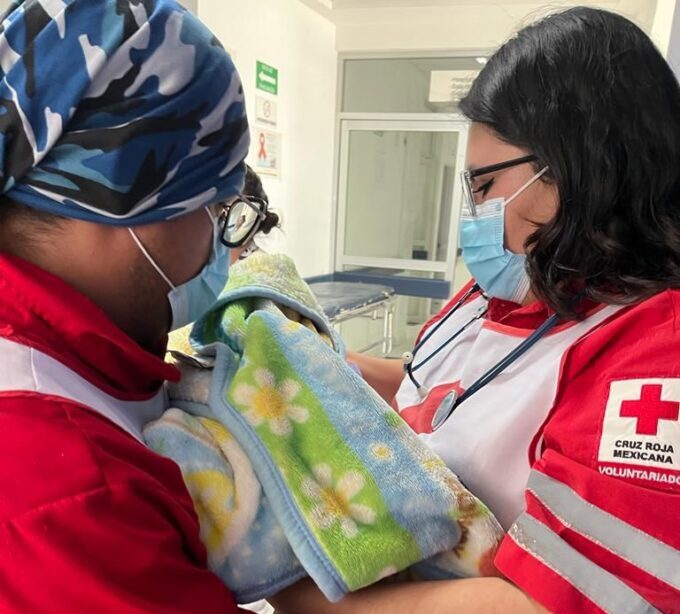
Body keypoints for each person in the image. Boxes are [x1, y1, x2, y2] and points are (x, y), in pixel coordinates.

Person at [278, 7, 680, 612]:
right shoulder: (510, 287)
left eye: (486, 185)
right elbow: (434, 393)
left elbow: (551, 603)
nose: (474, 212)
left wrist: (303, 592)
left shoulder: (653, 353)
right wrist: (312, 361)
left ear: (580, 172)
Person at [0, 0, 252, 611]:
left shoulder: (82, 355)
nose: (225, 245)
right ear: (128, 200)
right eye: (216, 209)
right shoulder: (68, 484)